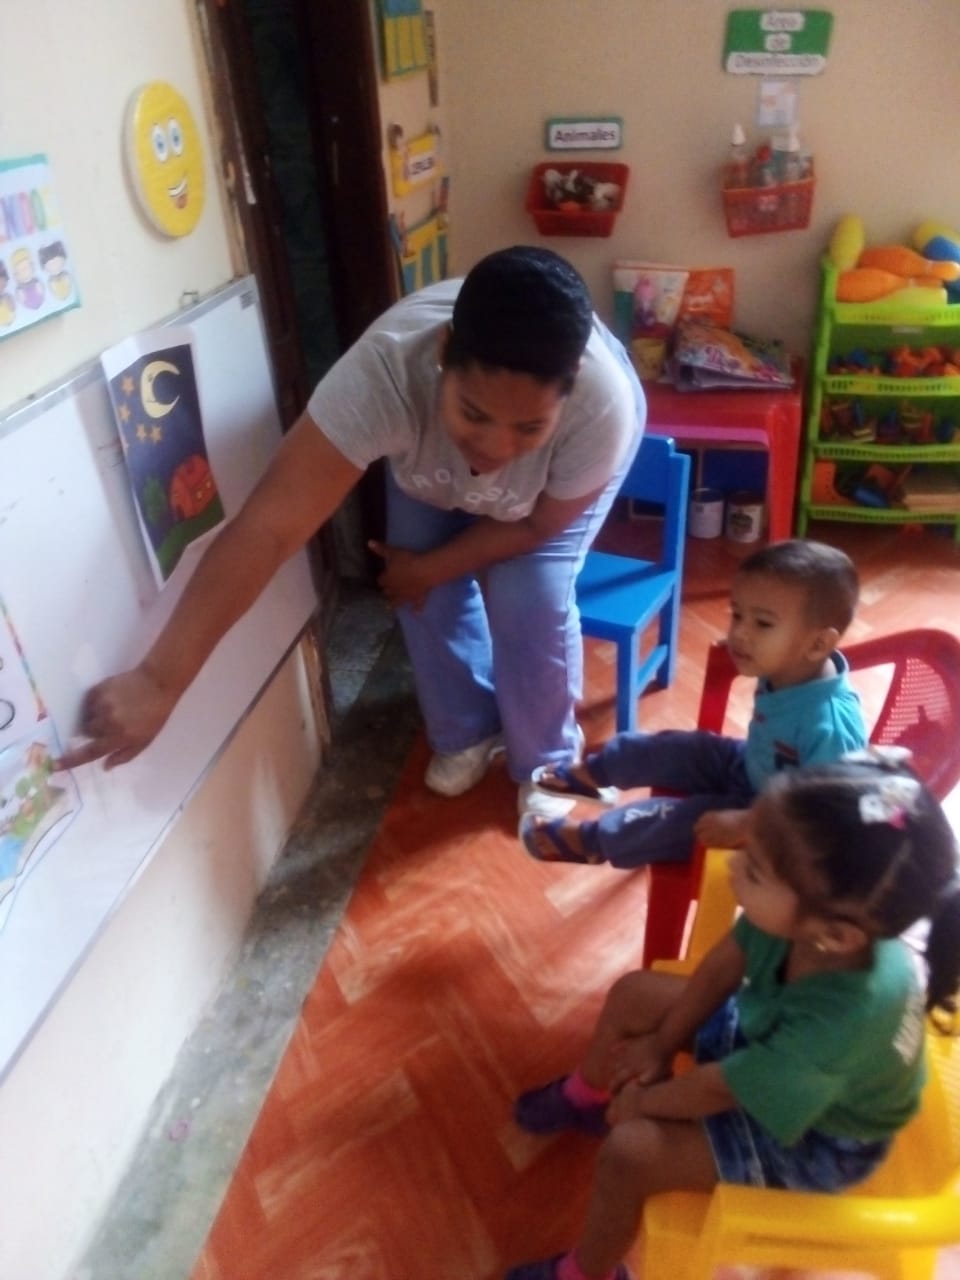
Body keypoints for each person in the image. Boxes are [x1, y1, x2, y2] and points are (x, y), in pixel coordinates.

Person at [59, 247, 645, 816]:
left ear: (571, 385)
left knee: (528, 594)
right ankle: (466, 730)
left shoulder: (602, 409)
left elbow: (539, 524)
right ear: (444, 353)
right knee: (418, 586)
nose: (495, 448)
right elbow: (270, 526)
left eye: (529, 427)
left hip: (541, 506)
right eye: (473, 413)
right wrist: (159, 680)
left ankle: (547, 759)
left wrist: (433, 566)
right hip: (430, 469)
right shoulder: (383, 377)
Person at [505, 754, 960, 1280]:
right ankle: (589, 1097)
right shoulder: (810, 920)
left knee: (629, 1153)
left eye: (755, 869)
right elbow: (725, 964)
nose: (734, 866)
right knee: (634, 994)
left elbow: (720, 1089)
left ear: (834, 935)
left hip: (817, 1136)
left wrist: (643, 1102)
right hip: (774, 1050)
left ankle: (587, 1273)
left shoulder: (840, 1024)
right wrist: (661, 1043)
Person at [519, 539, 866, 865]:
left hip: (771, 819)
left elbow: (828, 814)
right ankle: (595, 773)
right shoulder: (792, 664)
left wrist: (747, 824)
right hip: (749, 763)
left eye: (762, 623)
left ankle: (592, 842)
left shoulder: (831, 727)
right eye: (737, 615)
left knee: (677, 821)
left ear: (817, 645)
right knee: (670, 746)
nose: (739, 633)